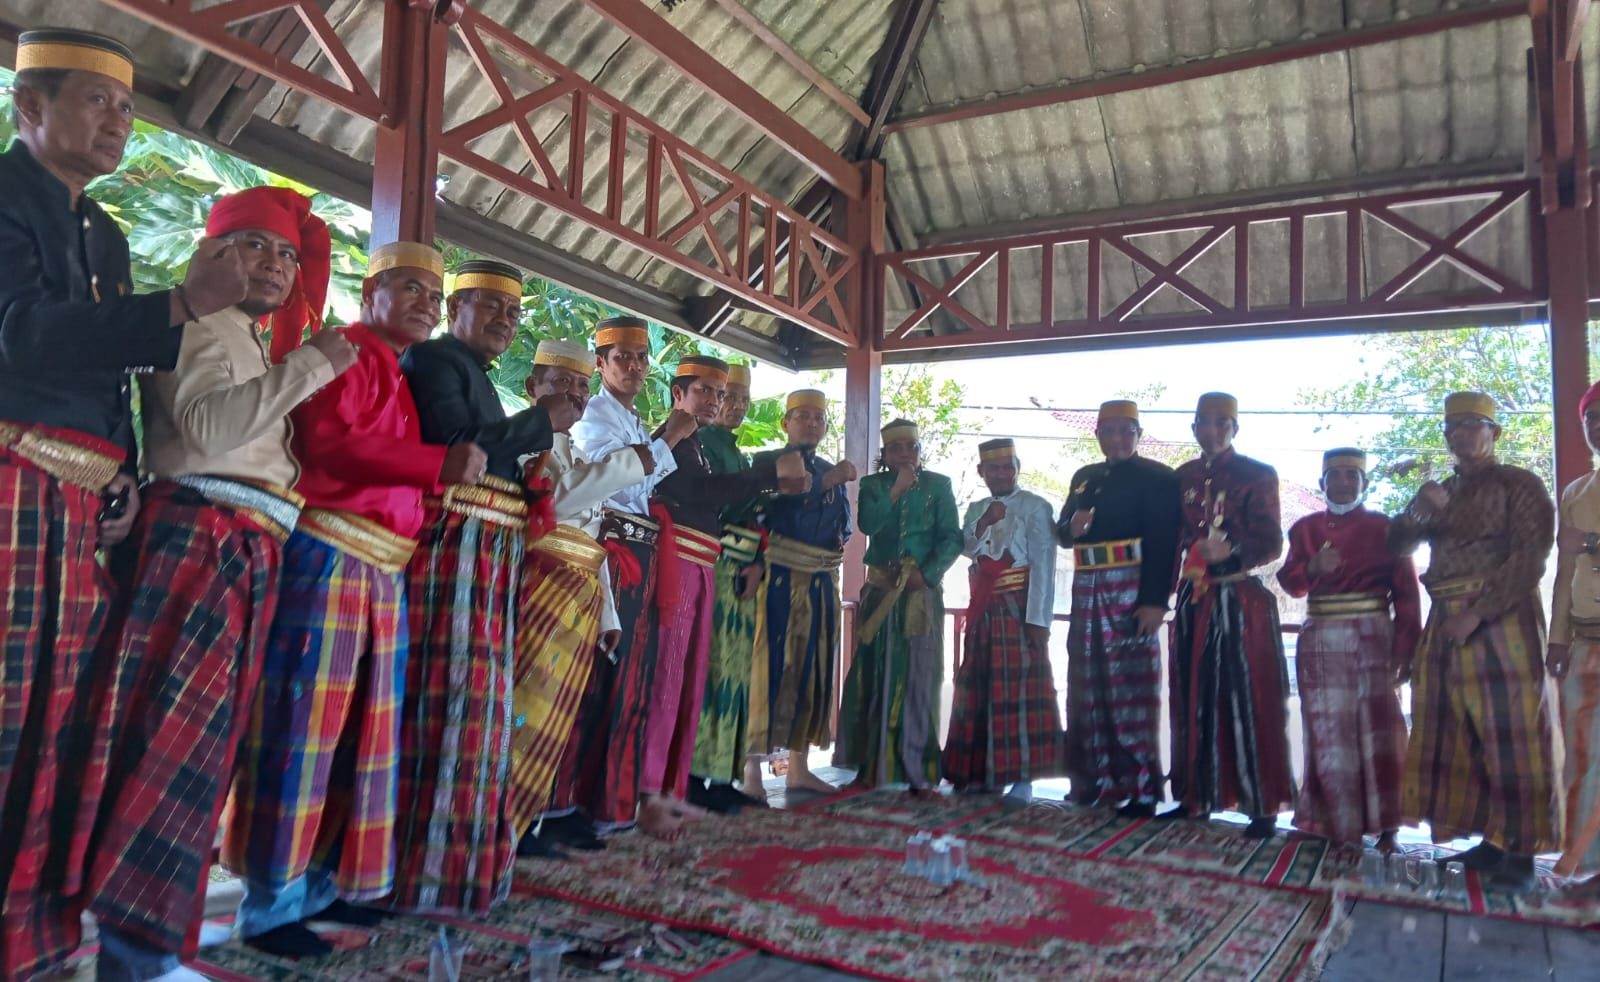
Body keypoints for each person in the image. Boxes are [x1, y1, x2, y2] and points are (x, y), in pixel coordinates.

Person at [0, 30, 247, 982]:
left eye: (128, 108)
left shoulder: (101, 230)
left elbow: (105, 376)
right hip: (16, 483)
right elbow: (23, 341)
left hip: (80, 503)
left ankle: (30, 939)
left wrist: (123, 477)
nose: (119, 121)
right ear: (31, 108)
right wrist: (181, 305)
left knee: (60, 723)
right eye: (98, 102)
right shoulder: (3, 200)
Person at [70, 186, 351, 982]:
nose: (276, 265)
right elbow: (202, 434)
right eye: (258, 246)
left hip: (240, 543)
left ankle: (156, 945)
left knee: (202, 752)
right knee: (175, 743)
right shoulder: (195, 318)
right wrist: (310, 365)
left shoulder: (244, 335)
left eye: (289, 254)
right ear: (215, 251)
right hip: (202, 534)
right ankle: (141, 954)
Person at [221, 242, 487, 956]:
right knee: (304, 730)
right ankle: (269, 907)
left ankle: (319, 888)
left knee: (356, 739)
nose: (427, 302)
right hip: (332, 557)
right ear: (370, 291)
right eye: (410, 288)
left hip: (377, 569)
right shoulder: (344, 351)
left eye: (434, 293)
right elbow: (329, 442)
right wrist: (437, 464)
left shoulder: (390, 368)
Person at [391, 259, 579, 914]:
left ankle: (458, 866)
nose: (505, 321)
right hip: (456, 551)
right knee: (450, 705)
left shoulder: (472, 374)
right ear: (455, 311)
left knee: (479, 708)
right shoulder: (435, 362)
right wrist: (540, 421)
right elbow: (457, 447)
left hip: (488, 554)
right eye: (490, 308)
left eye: (513, 312)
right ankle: (424, 871)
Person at [1389, 391, 1557, 891]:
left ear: (1494, 433)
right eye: (1454, 428)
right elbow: (1395, 545)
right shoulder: (1440, 492)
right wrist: (1420, 510)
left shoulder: (1520, 484)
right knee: (1459, 733)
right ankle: (1491, 839)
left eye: (1472, 425)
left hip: (1501, 619)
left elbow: (1531, 559)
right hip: (1444, 620)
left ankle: (1523, 855)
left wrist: (1478, 614)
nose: (1462, 434)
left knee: (1514, 735)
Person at [549, 316, 695, 838]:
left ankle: (609, 803)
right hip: (610, 551)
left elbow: (647, 477)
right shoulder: (593, 417)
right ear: (601, 361)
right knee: (600, 680)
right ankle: (571, 806)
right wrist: (670, 437)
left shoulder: (630, 419)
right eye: (621, 358)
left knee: (629, 681)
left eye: (640, 357)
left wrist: (662, 440)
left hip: (640, 552)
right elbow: (615, 483)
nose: (634, 366)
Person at [506, 339, 653, 859]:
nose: (572, 396)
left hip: (585, 590)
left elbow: (595, 541)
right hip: (541, 586)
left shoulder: (578, 452)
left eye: (581, 388)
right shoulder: (523, 446)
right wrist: (629, 465)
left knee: (568, 711)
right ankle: (511, 822)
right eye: (560, 385)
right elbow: (559, 502)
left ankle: (552, 813)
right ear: (532, 389)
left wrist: (608, 613)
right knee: (529, 703)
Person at [643, 357, 801, 836]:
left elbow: (733, 507)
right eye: (710, 393)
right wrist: (768, 476)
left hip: (710, 565)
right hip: (681, 566)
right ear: (677, 393)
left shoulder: (706, 446)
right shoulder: (671, 439)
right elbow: (699, 494)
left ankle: (707, 779)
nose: (720, 403)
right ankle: (667, 786)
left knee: (707, 677)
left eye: (726, 394)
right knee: (680, 677)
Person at [1277, 447, 1419, 850]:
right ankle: (1332, 821)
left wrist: (1406, 651)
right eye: (1334, 475)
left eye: (1351, 476)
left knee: (1379, 730)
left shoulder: (1387, 528)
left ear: (1365, 484)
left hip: (1374, 637)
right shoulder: (1304, 529)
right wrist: (1311, 569)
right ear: (1322, 484)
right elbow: (1291, 583)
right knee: (1326, 731)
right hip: (1319, 637)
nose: (1342, 482)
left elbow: (1407, 594)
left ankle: (1387, 825)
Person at [1056, 400, 1181, 817]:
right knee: (1085, 684)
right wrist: (1070, 528)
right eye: (1109, 430)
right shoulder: (1084, 478)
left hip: (1131, 588)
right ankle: (1090, 781)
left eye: (1127, 430)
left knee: (1131, 688)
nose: (1118, 438)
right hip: (1085, 587)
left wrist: (1154, 602)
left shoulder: (1159, 477)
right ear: (1097, 436)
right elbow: (1062, 533)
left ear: (1139, 435)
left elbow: (1166, 542)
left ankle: (1141, 788)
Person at [835, 420, 962, 792]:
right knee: (873, 675)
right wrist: (896, 490)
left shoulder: (939, 485)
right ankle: (868, 769)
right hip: (880, 592)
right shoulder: (873, 486)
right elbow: (868, 524)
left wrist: (930, 572)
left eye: (912, 447)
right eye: (897, 448)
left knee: (919, 679)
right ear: (885, 454)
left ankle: (920, 776)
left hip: (921, 594)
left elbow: (951, 538)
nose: (906, 453)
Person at [945, 438, 1062, 800]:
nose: (1001, 473)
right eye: (993, 468)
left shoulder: (1036, 506)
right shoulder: (977, 506)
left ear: (1017, 468)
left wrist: (1039, 621)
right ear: (981, 472)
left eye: (1007, 466)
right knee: (978, 688)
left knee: (1020, 690)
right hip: (983, 606)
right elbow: (965, 547)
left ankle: (1024, 778)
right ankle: (983, 772)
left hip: (1018, 605)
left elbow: (1044, 564)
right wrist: (984, 522)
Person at [754, 390, 856, 794]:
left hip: (819, 580)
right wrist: (824, 484)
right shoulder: (766, 464)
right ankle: (749, 774)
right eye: (803, 416)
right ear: (785, 422)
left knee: (811, 668)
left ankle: (798, 767)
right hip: (776, 576)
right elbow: (768, 513)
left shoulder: (832, 469)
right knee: (766, 665)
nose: (812, 423)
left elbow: (844, 524)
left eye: (818, 418)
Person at [688, 363, 774, 808]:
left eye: (742, 399)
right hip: (713, 565)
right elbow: (721, 506)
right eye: (727, 397)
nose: (735, 406)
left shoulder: (738, 454)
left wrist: (758, 560)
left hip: (742, 570)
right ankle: (696, 777)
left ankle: (724, 775)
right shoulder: (699, 444)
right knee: (711, 669)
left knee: (736, 674)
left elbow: (754, 518)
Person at [1551, 381, 1600, 888]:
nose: (1599, 425)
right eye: (1593, 418)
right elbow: (1565, 573)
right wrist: (1557, 640)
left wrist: (1591, 541)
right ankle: (1588, 865)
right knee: (1581, 764)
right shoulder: (1576, 492)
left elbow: (1581, 547)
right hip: (1583, 643)